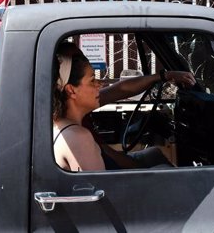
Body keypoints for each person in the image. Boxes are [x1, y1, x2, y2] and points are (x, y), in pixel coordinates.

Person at [52, 41, 195, 172]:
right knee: (165, 171)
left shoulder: (64, 119)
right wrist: (142, 170)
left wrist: (162, 76)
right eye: (92, 80)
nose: (100, 84)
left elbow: (121, 89)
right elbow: (104, 191)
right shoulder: (78, 136)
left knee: (155, 155)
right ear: (71, 90)